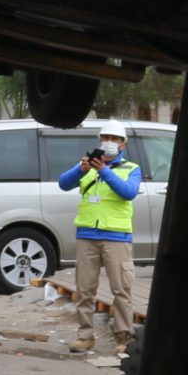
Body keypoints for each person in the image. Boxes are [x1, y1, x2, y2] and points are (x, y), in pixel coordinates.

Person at [57, 123, 141, 357]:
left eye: (114, 138)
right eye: (105, 137)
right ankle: (85, 336)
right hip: (87, 236)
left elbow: (128, 192)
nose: (109, 141)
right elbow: (63, 183)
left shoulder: (131, 168)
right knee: (85, 290)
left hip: (117, 237)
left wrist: (104, 170)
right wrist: (81, 170)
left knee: (121, 289)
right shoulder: (86, 166)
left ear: (123, 143)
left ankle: (123, 338)